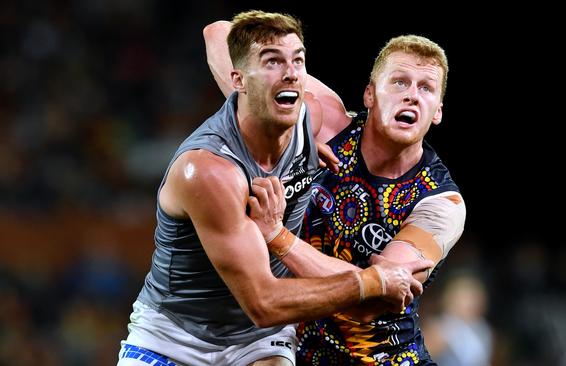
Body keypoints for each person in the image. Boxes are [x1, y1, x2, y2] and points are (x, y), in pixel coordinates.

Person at [117, 11, 432, 366]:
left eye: (298, 60)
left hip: (259, 341)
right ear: (237, 79)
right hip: (176, 336)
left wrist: (306, 145)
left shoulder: (307, 119)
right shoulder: (208, 170)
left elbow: (217, 33)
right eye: (272, 62)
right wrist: (371, 281)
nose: (291, 73)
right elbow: (263, 303)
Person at [207, 32, 467, 364]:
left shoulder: (440, 203)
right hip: (292, 351)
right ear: (369, 94)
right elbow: (218, 34)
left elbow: (370, 301)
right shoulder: (328, 124)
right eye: (400, 82)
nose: (412, 97)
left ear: (437, 112)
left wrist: (278, 237)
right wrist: (278, 130)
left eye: (426, 88)